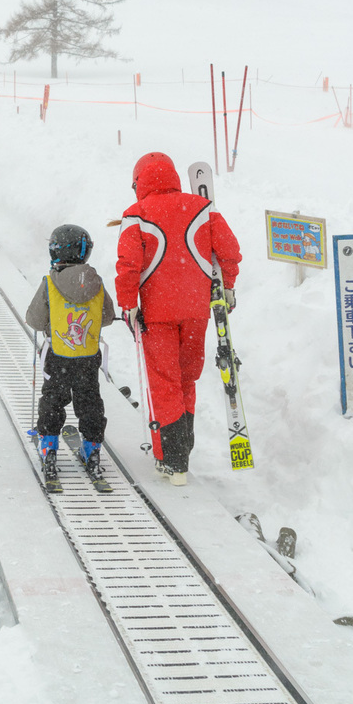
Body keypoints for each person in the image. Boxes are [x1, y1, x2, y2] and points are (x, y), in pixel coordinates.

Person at [115, 152, 241, 486]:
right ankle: (183, 451)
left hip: (156, 314)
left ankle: (173, 460)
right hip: (196, 310)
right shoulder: (203, 207)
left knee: (164, 381)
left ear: (138, 182)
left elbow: (129, 266)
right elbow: (228, 250)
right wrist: (227, 284)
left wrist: (128, 304)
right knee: (186, 378)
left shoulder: (135, 215)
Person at [26, 224, 115, 486]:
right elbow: (107, 316)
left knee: (53, 398)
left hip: (58, 356)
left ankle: (49, 445)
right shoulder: (96, 283)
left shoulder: (49, 282)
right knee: (89, 401)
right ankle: (92, 447)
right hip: (87, 357)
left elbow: (34, 318)